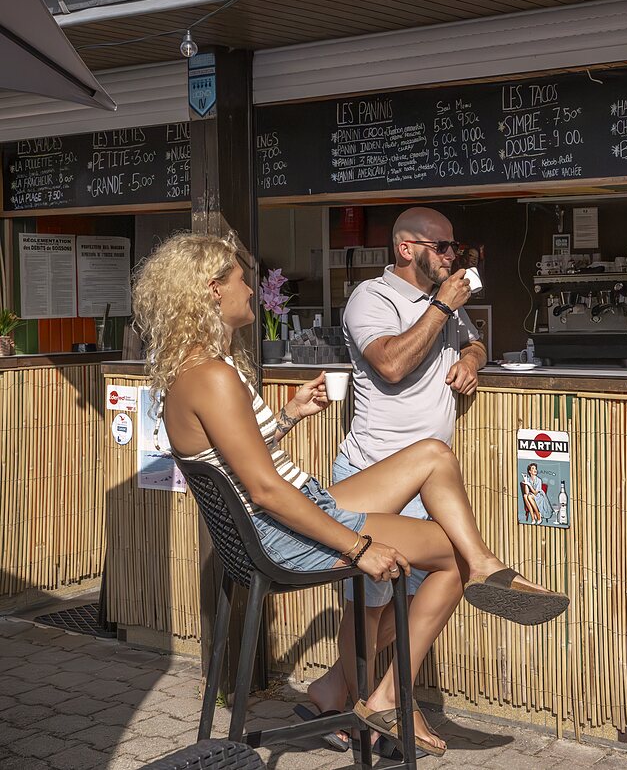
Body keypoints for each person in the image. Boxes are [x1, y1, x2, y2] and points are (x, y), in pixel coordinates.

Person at [131, 232, 567, 757]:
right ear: (211, 290)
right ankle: (387, 697)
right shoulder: (213, 376)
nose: (251, 288)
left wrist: (288, 414)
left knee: (432, 453)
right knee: (445, 553)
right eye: (241, 279)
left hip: (292, 509)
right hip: (281, 532)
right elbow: (265, 489)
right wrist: (357, 548)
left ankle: (485, 567)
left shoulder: (196, 373)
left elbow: (236, 460)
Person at [303, 208, 489, 749]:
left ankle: (337, 692)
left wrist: (472, 359)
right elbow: (390, 363)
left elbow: (474, 340)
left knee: (407, 603)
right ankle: (370, 706)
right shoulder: (371, 298)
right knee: (371, 606)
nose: (454, 256)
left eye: (455, 247)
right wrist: (440, 307)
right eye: (445, 246)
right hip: (375, 475)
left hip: (426, 485)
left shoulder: (447, 306)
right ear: (408, 248)